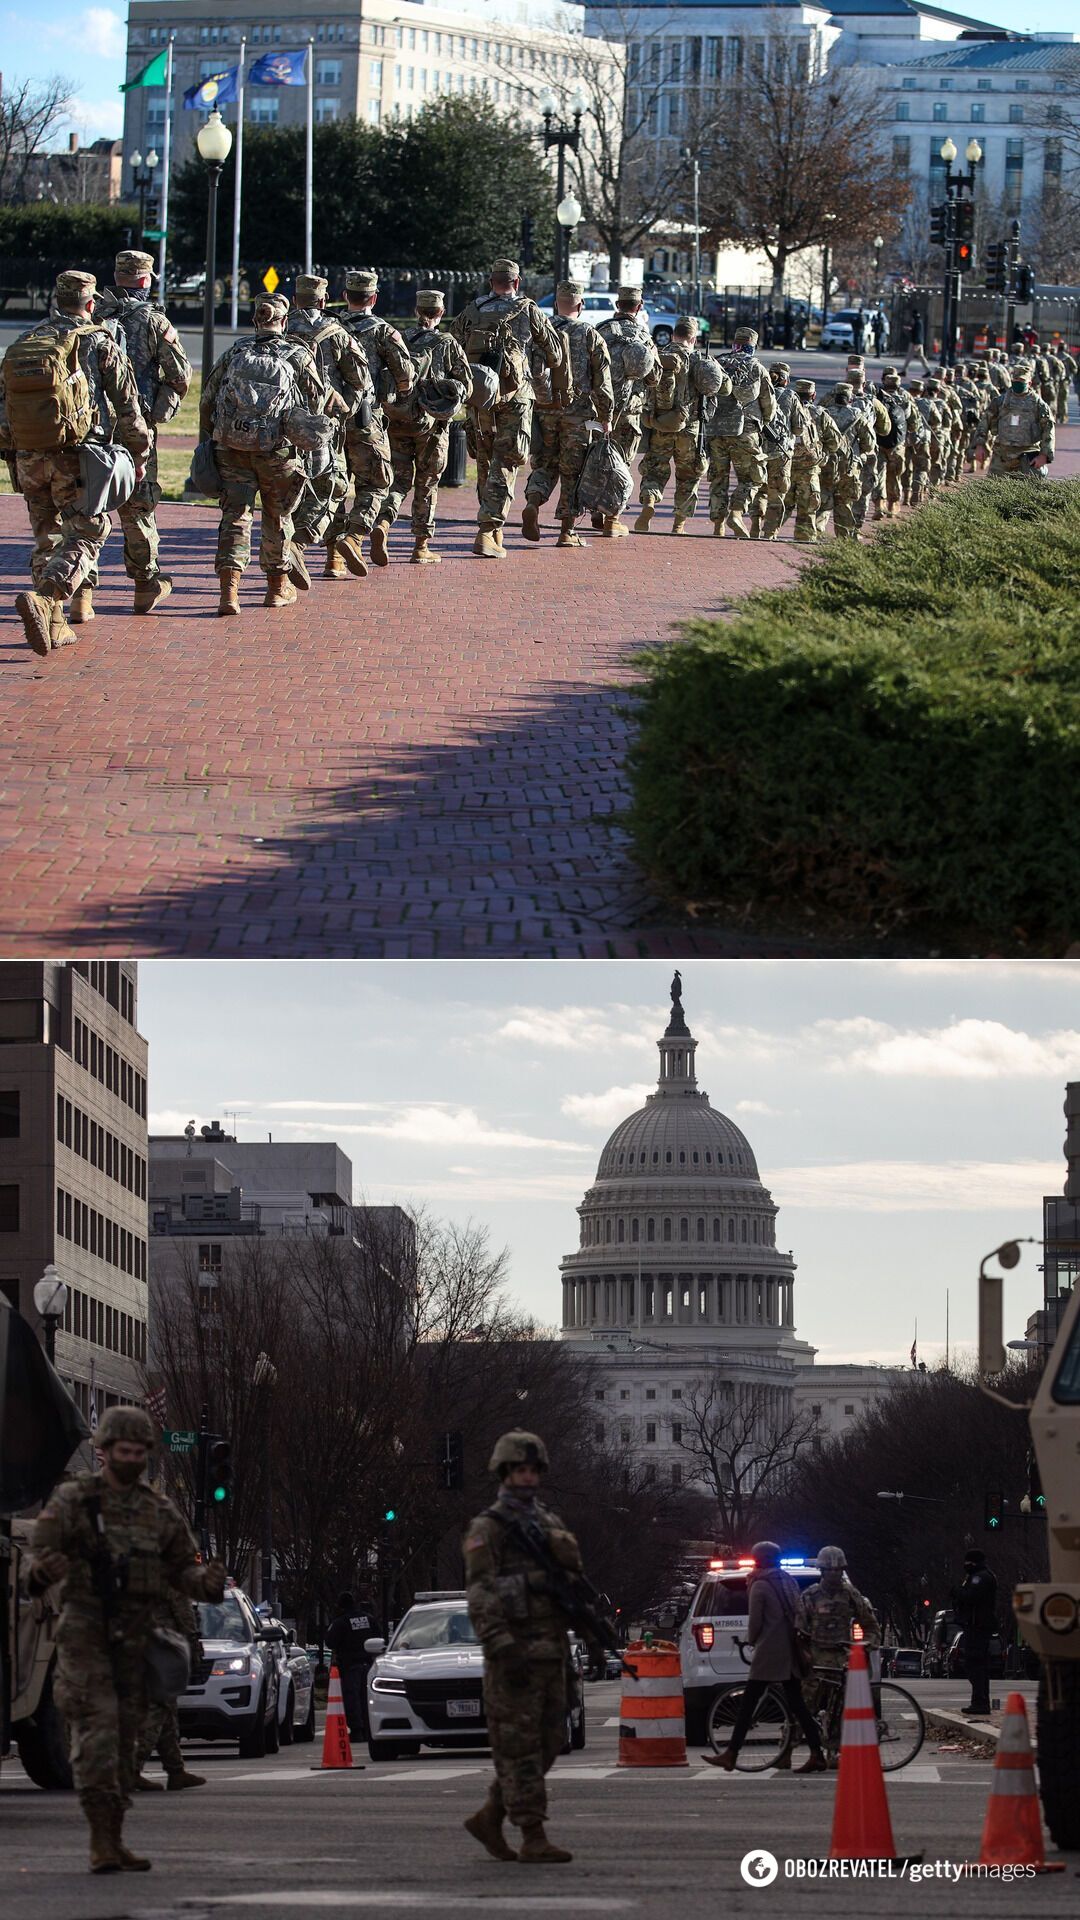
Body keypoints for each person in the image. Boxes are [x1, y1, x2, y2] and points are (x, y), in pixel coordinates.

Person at [27, 1405, 226, 1874]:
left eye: (140, 1451)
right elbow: (40, 1552)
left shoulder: (158, 1510)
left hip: (136, 1642)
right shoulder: (77, 1501)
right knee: (99, 1730)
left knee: (124, 1743)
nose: (132, 1458)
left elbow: (183, 1569)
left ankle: (114, 1837)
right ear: (104, 1450)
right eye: (123, 1450)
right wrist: (41, 1573)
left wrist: (208, 1583)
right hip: (85, 1635)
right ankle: (99, 1841)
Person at [1, 270, 150, 656]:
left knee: (46, 535)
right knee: (89, 530)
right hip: (77, 455)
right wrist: (139, 455)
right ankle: (48, 598)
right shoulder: (99, 341)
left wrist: (13, 454)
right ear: (90, 303)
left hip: (29, 455)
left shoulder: (28, 340)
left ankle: (55, 625)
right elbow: (128, 406)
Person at [463, 1430, 584, 1863]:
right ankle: (532, 1833)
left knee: (551, 1740)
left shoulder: (549, 1524)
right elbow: (480, 1593)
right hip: (514, 1654)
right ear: (504, 1472)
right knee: (520, 1747)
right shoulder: (488, 1529)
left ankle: (491, 1814)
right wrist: (500, 1643)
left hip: (552, 1653)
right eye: (519, 1470)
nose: (527, 1478)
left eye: (533, 1470)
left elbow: (572, 1579)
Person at [201, 294, 328, 613]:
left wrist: (214, 437)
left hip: (232, 447)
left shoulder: (236, 351)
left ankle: (228, 594)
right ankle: (276, 589)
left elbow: (208, 399)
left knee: (235, 516)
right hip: (278, 450)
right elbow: (315, 403)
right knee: (278, 516)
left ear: (255, 321)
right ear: (284, 322)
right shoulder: (298, 354)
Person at [94, 249, 191, 617]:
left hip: (93, 426)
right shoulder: (153, 320)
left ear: (117, 277)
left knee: (89, 504)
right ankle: (144, 584)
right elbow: (180, 375)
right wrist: (159, 411)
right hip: (136, 427)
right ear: (146, 279)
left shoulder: (91, 315)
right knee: (137, 505)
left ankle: (82, 596)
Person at [450, 258, 567, 559]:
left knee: (486, 460)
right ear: (517, 283)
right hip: (515, 397)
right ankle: (488, 529)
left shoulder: (472, 311)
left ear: (491, 282)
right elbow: (554, 354)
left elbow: (451, 347)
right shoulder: (527, 309)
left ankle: (493, 528)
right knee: (506, 461)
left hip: (478, 396)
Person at [704, 1541, 826, 1773]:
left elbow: (756, 1622)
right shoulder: (787, 1581)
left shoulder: (759, 1584)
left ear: (758, 1559)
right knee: (797, 1705)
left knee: (748, 1704)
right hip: (791, 1649)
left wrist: (750, 1640)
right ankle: (817, 1753)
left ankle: (731, 1754)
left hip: (770, 1651)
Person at [372, 287, 473, 565]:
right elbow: (467, 384)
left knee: (399, 479)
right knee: (427, 482)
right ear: (440, 313)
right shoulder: (447, 343)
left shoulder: (400, 338)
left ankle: (383, 522)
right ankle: (421, 546)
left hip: (397, 420)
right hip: (430, 425)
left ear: (417, 312)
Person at [286, 273, 377, 578]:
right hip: (322, 426)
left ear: (295, 299)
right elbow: (360, 382)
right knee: (331, 486)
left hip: (282, 424)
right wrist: (343, 407)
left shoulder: (281, 327)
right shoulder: (336, 333)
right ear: (324, 301)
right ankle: (299, 544)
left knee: (285, 493)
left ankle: (280, 575)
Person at [522, 279, 614, 549]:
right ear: (581, 305)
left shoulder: (540, 331)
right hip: (579, 414)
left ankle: (533, 502)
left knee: (545, 465)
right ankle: (567, 530)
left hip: (544, 410)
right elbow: (603, 381)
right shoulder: (589, 334)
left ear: (555, 304)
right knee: (573, 471)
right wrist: (606, 417)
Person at [332, 268, 413, 570]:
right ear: (374, 298)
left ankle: (333, 558)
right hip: (366, 419)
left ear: (344, 297)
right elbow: (406, 378)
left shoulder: (331, 328)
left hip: (330, 419)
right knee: (377, 481)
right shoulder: (383, 331)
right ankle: (354, 536)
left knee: (335, 483)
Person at [635, 317, 725, 535]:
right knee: (688, 476)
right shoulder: (699, 359)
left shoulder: (658, 355)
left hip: (660, 424)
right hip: (690, 428)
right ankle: (678, 524)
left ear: (674, 335)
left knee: (655, 469)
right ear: (693, 338)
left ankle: (649, 501)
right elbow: (722, 389)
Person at [596, 286, 661, 536]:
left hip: (599, 408)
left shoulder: (600, 330)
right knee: (621, 464)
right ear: (640, 306)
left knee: (597, 457)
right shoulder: (643, 337)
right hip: (629, 412)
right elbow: (654, 377)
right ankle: (612, 519)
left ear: (617, 305)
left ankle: (595, 509)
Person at [135, 1585, 205, 1792]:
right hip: (162, 1643)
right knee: (159, 1708)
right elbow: (182, 1610)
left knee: (167, 1712)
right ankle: (131, 1768)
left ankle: (176, 1771)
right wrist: (193, 1643)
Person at [706, 325, 774, 538]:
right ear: (752, 346)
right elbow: (768, 403)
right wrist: (766, 422)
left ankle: (718, 525)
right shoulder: (757, 367)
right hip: (746, 431)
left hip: (716, 430)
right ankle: (736, 512)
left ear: (735, 343)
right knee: (753, 478)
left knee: (718, 478)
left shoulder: (718, 362)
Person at [801, 1546, 880, 1719]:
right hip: (817, 1657)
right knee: (805, 1705)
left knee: (849, 1703)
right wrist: (803, 1653)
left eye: (838, 1570)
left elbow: (870, 1625)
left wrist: (864, 1646)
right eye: (829, 1570)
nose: (834, 1574)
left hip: (843, 1657)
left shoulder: (850, 1594)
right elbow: (799, 1628)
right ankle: (794, 1736)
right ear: (822, 1571)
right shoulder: (810, 1596)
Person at [755, 361, 809, 541]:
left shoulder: (759, 392)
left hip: (758, 450)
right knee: (777, 495)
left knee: (759, 490)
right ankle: (769, 533)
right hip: (781, 453)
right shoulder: (791, 396)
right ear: (786, 380)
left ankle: (754, 526)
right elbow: (799, 429)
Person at [975, 360, 1055, 477]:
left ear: (1029, 383)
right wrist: (979, 445)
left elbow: (1049, 430)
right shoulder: (1000, 401)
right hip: (1002, 455)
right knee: (993, 492)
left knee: (1029, 491)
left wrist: (1044, 455)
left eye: (1022, 381)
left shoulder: (1039, 404)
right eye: (1015, 380)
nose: (1018, 383)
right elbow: (984, 422)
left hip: (1028, 455)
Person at [787, 378, 842, 545]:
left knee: (778, 507)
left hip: (785, 466)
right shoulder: (820, 414)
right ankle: (805, 541)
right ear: (813, 395)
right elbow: (835, 442)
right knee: (808, 510)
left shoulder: (785, 410)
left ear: (795, 394)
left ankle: (766, 535)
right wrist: (823, 453)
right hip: (810, 470)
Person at [817, 380, 875, 539]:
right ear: (851, 399)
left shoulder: (825, 413)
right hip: (850, 466)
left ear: (834, 397)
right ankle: (844, 538)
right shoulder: (858, 415)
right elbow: (869, 445)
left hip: (826, 463)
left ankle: (815, 530)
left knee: (823, 499)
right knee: (844, 502)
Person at [327, 1589, 377, 1742]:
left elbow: (330, 1642)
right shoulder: (369, 1619)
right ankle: (369, 1729)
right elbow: (379, 1637)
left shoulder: (340, 1622)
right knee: (367, 1698)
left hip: (350, 1666)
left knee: (351, 1699)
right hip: (369, 1665)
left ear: (341, 1606)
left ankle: (357, 1730)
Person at [955, 1549, 998, 1716]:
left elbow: (971, 1597)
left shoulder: (980, 1577)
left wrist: (957, 1592)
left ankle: (980, 1702)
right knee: (977, 1665)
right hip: (977, 1625)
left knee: (974, 1664)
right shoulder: (981, 1576)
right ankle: (979, 1701)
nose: (966, 1565)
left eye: (968, 1562)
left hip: (978, 1626)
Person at [901, 308, 930, 377]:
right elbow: (916, 331)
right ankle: (928, 371)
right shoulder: (919, 322)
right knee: (921, 356)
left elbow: (917, 333)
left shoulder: (917, 322)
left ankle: (904, 371)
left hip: (915, 342)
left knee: (909, 356)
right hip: (919, 342)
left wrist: (916, 343)